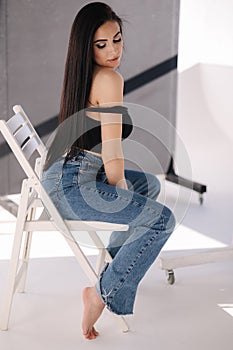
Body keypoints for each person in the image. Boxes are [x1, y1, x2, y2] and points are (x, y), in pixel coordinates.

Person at [42, 2, 175, 340]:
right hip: (72, 185)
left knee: (150, 188)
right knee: (162, 219)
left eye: (117, 39)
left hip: (67, 176)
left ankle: (111, 272)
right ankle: (101, 294)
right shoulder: (108, 80)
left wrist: (122, 188)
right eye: (102, 45)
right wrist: (120, 192)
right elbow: (113, 151)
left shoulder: (86, 75)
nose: (114, 51)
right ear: (87, 47)